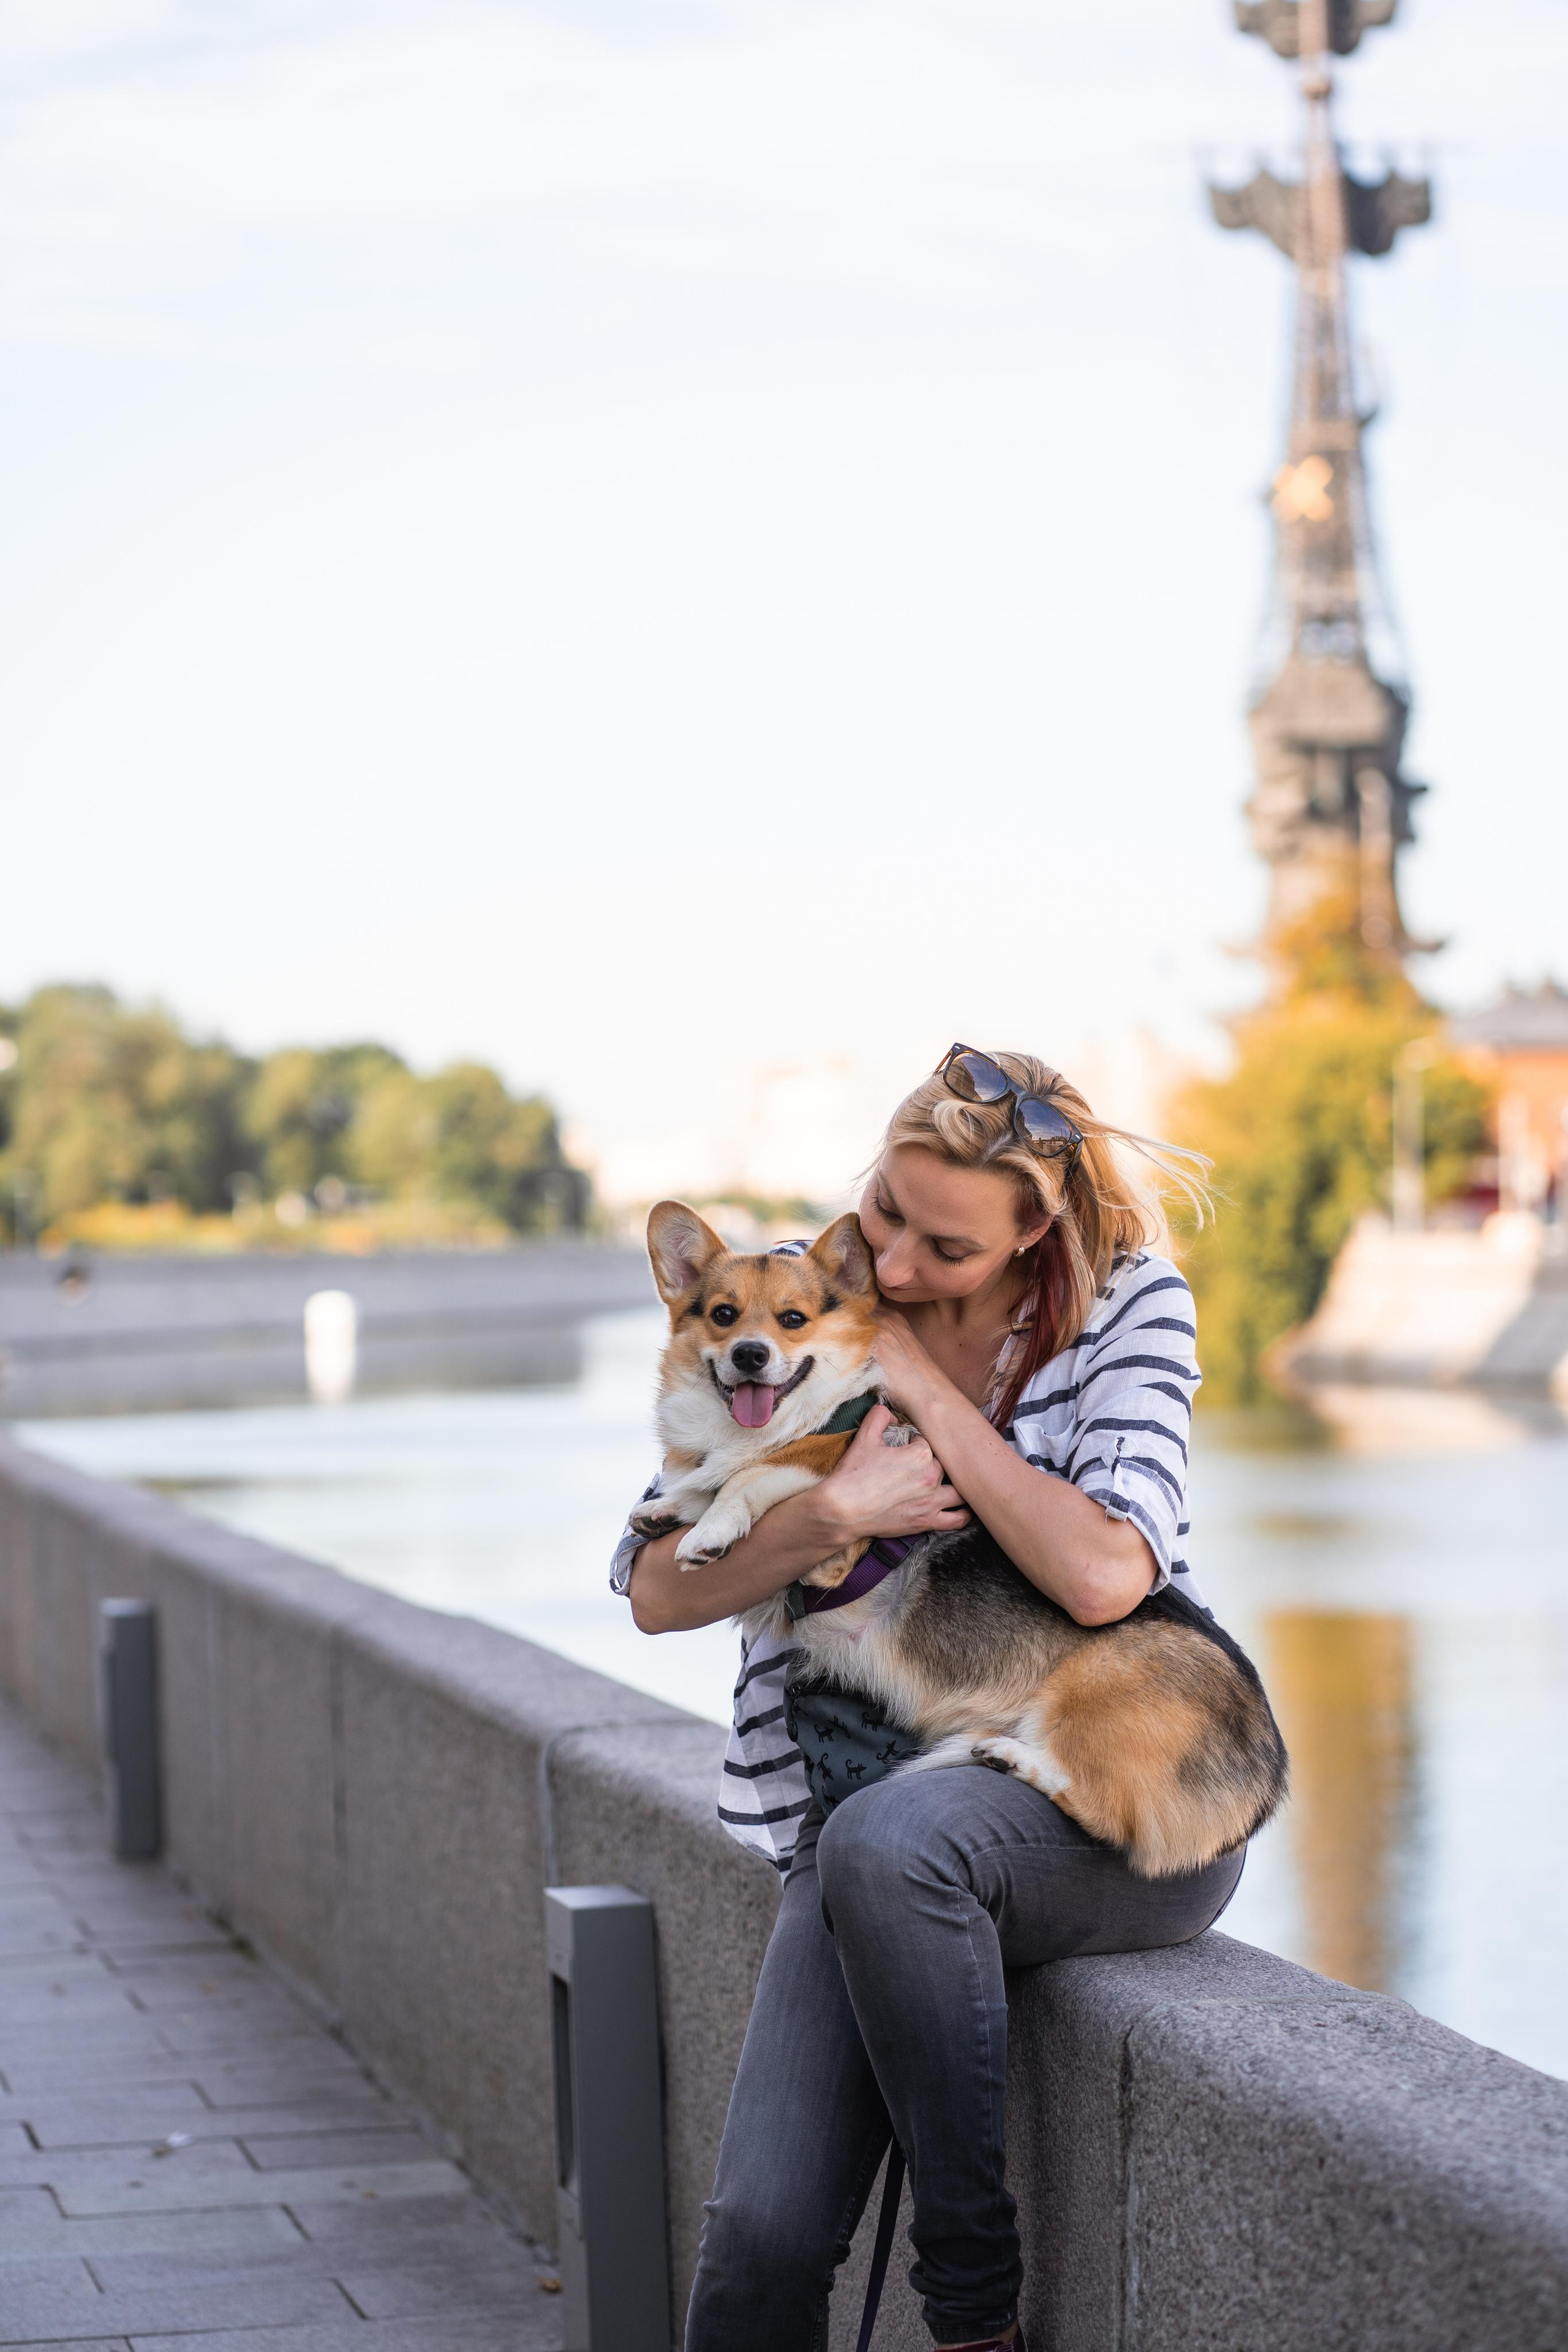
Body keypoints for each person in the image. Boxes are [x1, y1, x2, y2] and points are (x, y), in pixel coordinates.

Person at [611, 1048, 1241, 2352]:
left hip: (1101, 1793)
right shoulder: (792, 1313)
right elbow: (660, 1591)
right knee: (755, 2249)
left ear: (1033, 1235)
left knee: (895, 1840)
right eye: (885, 1213)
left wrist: (928, 1395)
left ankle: (970, 2307)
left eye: (941, 1249)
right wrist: (837, 1509)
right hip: (844, 1821)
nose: (890, 1268)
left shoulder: (1129, 1308)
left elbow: (1104, 1569)